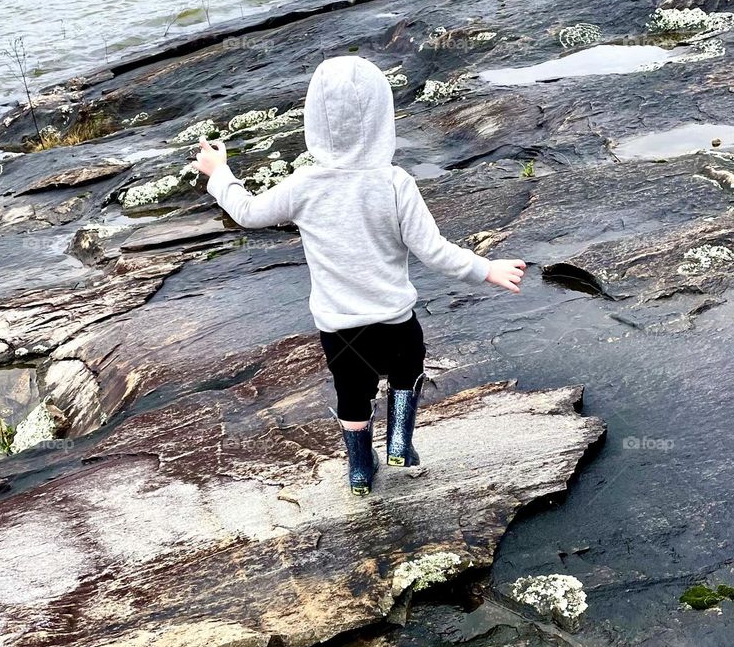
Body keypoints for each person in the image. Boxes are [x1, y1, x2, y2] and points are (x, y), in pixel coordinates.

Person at [194, 56, 526, 497]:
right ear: (383, 118)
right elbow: (433, 251)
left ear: (313, 121)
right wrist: (486, 268)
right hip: (394, 319)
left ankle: (358, 470)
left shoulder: (303, 184)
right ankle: (400, 443)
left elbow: (249, 212)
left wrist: (221, 174)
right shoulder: (394, 182)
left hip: (340, 327)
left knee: (352, 394)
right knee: (407, 372)